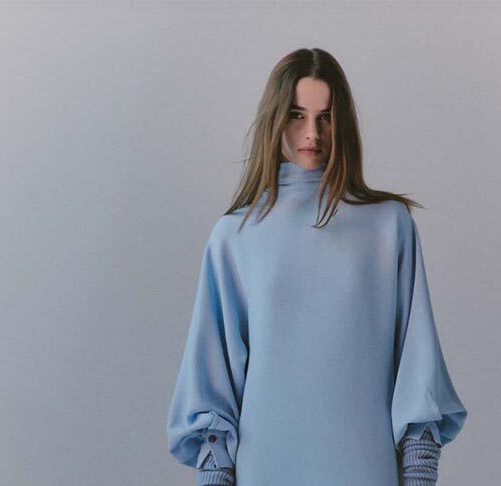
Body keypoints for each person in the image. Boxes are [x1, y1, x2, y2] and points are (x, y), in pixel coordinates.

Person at [166, 47, 468, 486]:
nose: (312, 133)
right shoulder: (235, 236)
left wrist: (419, 473)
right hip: (265, 469)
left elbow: (417, 367)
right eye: (297, 115)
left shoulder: (389, 226)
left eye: (325, 117)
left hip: (365, 469)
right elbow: (212, 382)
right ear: (274, 119)